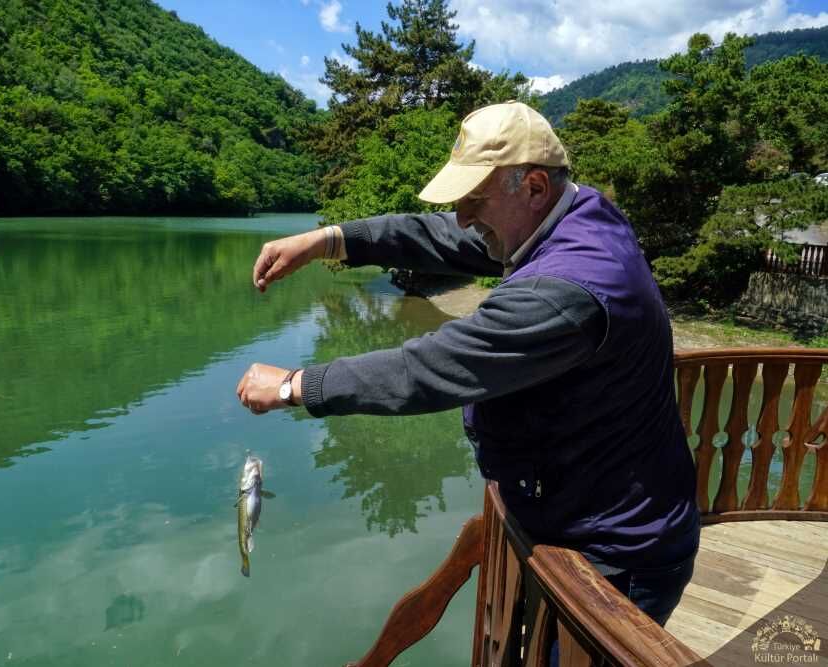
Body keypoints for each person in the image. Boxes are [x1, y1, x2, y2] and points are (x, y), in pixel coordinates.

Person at [235, 101, 699, 629]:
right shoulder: (570, 217)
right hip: (584, 518)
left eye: (475, 198)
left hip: (613, 554)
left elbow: (429, 369)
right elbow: (440, 235)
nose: (462, 216)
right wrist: (330, 240)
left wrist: (297, 385)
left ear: (534, 188)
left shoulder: (565, 289)